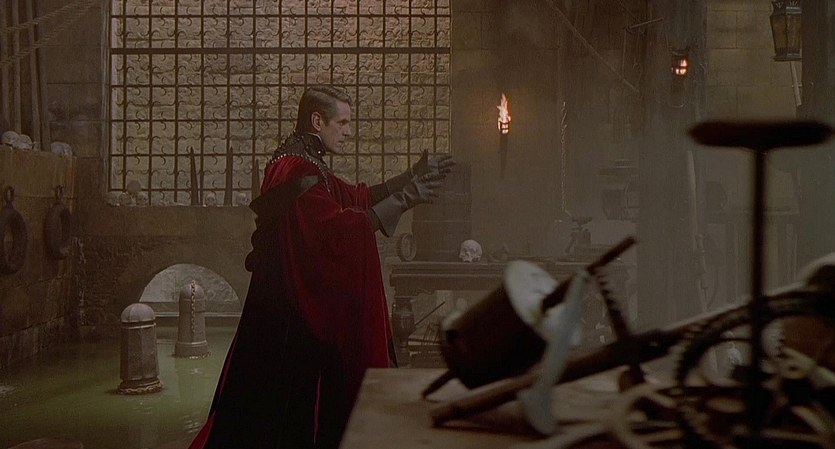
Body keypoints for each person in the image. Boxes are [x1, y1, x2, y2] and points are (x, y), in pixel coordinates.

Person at [189, 85, 455, 449]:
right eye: (342, 123)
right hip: (287, 318)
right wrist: (406, 198)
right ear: (317, 121)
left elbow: (354, 197)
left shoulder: (305, 160)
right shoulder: (294, 168)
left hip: (286, 308)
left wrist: (411, 175)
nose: (348, 131)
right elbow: (336, 229)